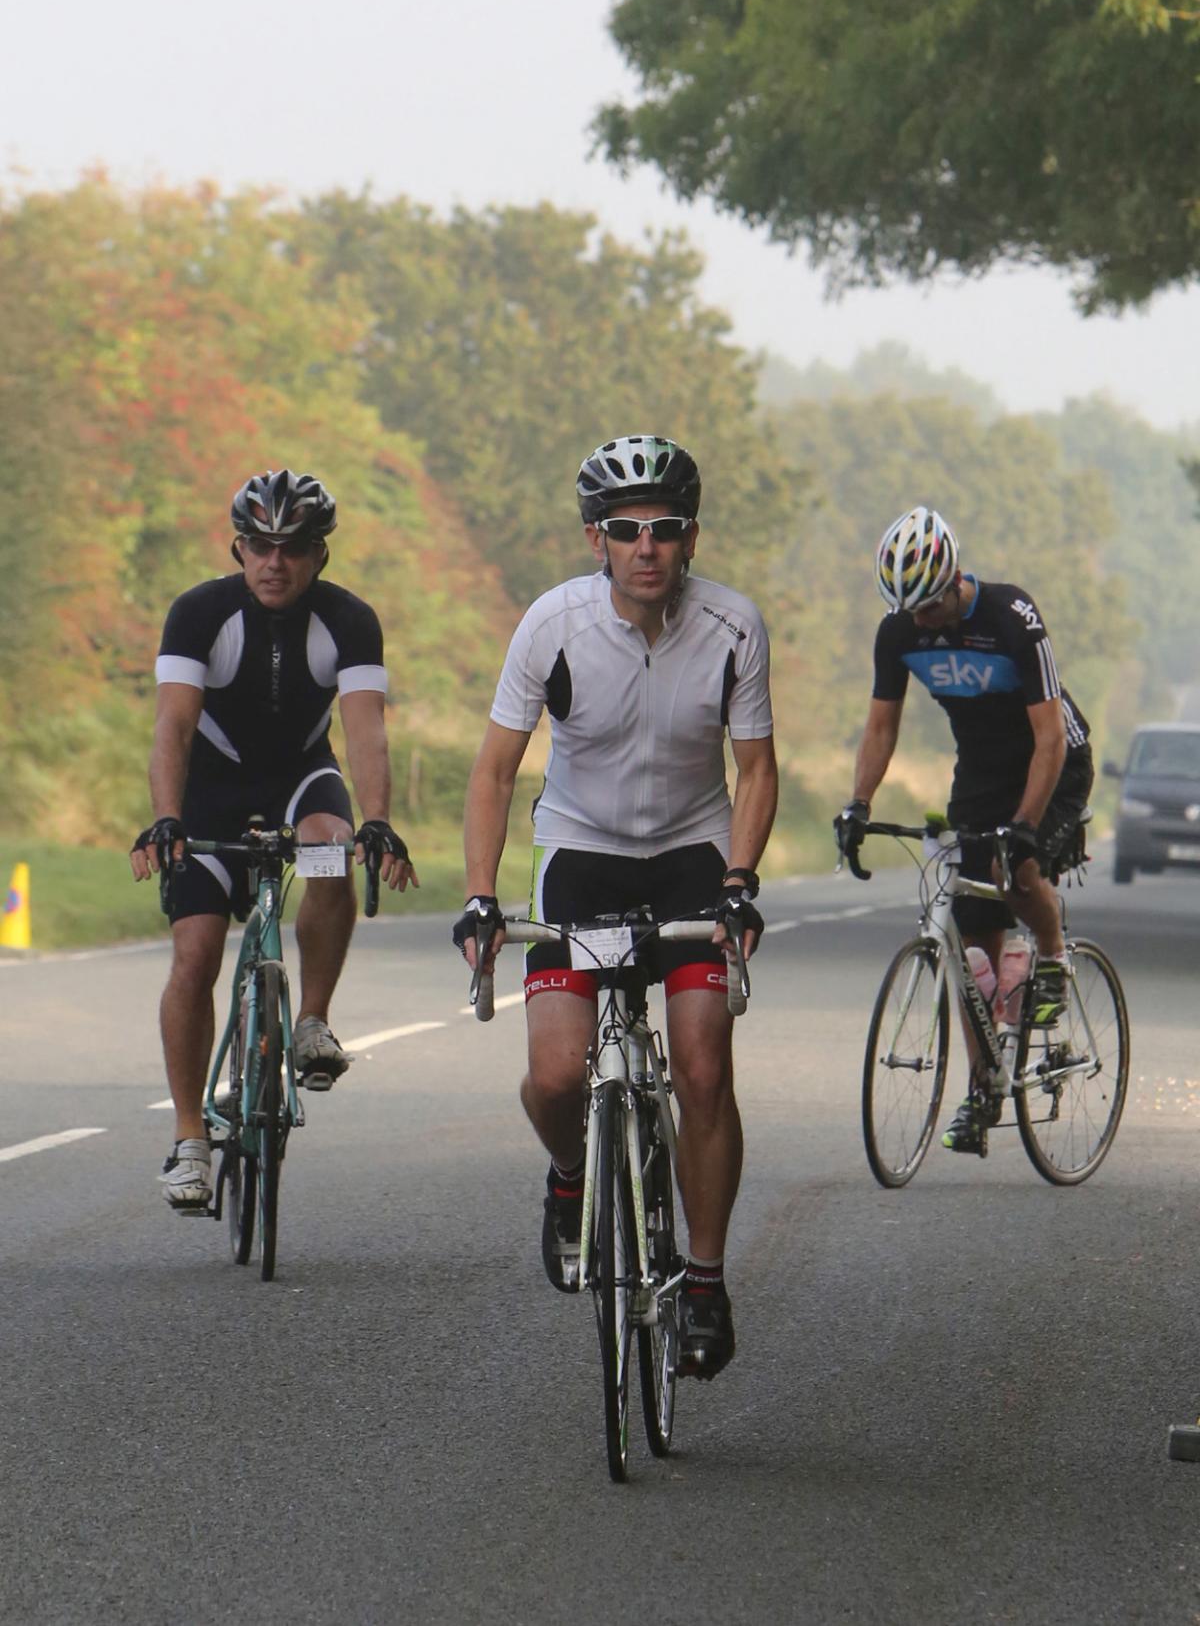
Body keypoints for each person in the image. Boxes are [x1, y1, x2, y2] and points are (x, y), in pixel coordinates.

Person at [453, 435, 777, 1380]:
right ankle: (570, 1177)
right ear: (597, 539)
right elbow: (493, 770)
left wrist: (740, 880)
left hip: (691, 859)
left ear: (690, 538)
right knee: (555, 1078)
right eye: (627, 530)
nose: (648, 547)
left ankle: (706, 1282)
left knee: (704, 1065)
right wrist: (480, 896)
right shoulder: (550, 625)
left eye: (666, 529)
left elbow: (756, 771)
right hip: (583, 857)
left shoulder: (733, 626)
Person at [130, 469, 416, 1211]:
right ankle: (191, 1139)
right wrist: (167, 816)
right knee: (194, 954)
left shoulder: (349, 620)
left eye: (292, 548)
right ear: (239, 547)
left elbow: (365, 731)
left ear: (319, 555)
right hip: (212, 789)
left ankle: (313, 1019)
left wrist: (377, 820)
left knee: (332, 840)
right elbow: (174, 726)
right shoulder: (199, 612)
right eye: (260, 545)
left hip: (300, 776)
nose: (274, 563)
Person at [834, 506, 1093, 1155]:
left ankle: (1054, 954)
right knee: (972, 938)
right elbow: (881, 727)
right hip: (981, 772)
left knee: (1015, 872)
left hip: (1054, 762)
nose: (916, 620)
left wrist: (1026, 827)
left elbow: (1050, 734)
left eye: (925, 606)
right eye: (905, 609)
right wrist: (857, 804)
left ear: (951, 579)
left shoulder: (1009, 616)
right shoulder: (898, 634)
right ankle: (984, 1088)